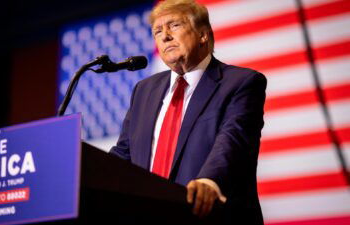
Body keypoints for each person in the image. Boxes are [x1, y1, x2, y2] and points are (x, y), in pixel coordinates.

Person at [110, 0, 266, 223]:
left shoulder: (241, 83)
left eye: (174, 25)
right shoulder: (144, 91)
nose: (164, 36)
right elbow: (124, 154)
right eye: (157, 31)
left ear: (203, 34)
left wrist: (209, 181)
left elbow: (233, 140)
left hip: (210, 215)